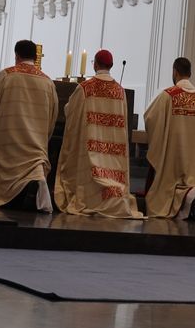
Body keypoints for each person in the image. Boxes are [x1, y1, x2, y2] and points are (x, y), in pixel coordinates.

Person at [55, 48, 142, 219]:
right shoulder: (120, 91)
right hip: (113, 149)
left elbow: (70, 111)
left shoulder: (85, 88)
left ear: (95, 64)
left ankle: (91, 198)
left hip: (92, 146)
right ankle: (113, 195)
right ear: (111, 66)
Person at [0, 38, 58, 211]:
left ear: (16, 55)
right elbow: (53, 115)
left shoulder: (6, 75)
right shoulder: (47, 82)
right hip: (34, 146)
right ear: (35, 57)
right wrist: (43, 137)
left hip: (8, 143)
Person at [143, 57, 195, 220]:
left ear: (175, 72)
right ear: (190, 73)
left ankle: (189, 198)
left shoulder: (168, 95)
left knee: (168, 186)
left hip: (175, 156)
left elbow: (150, 117)